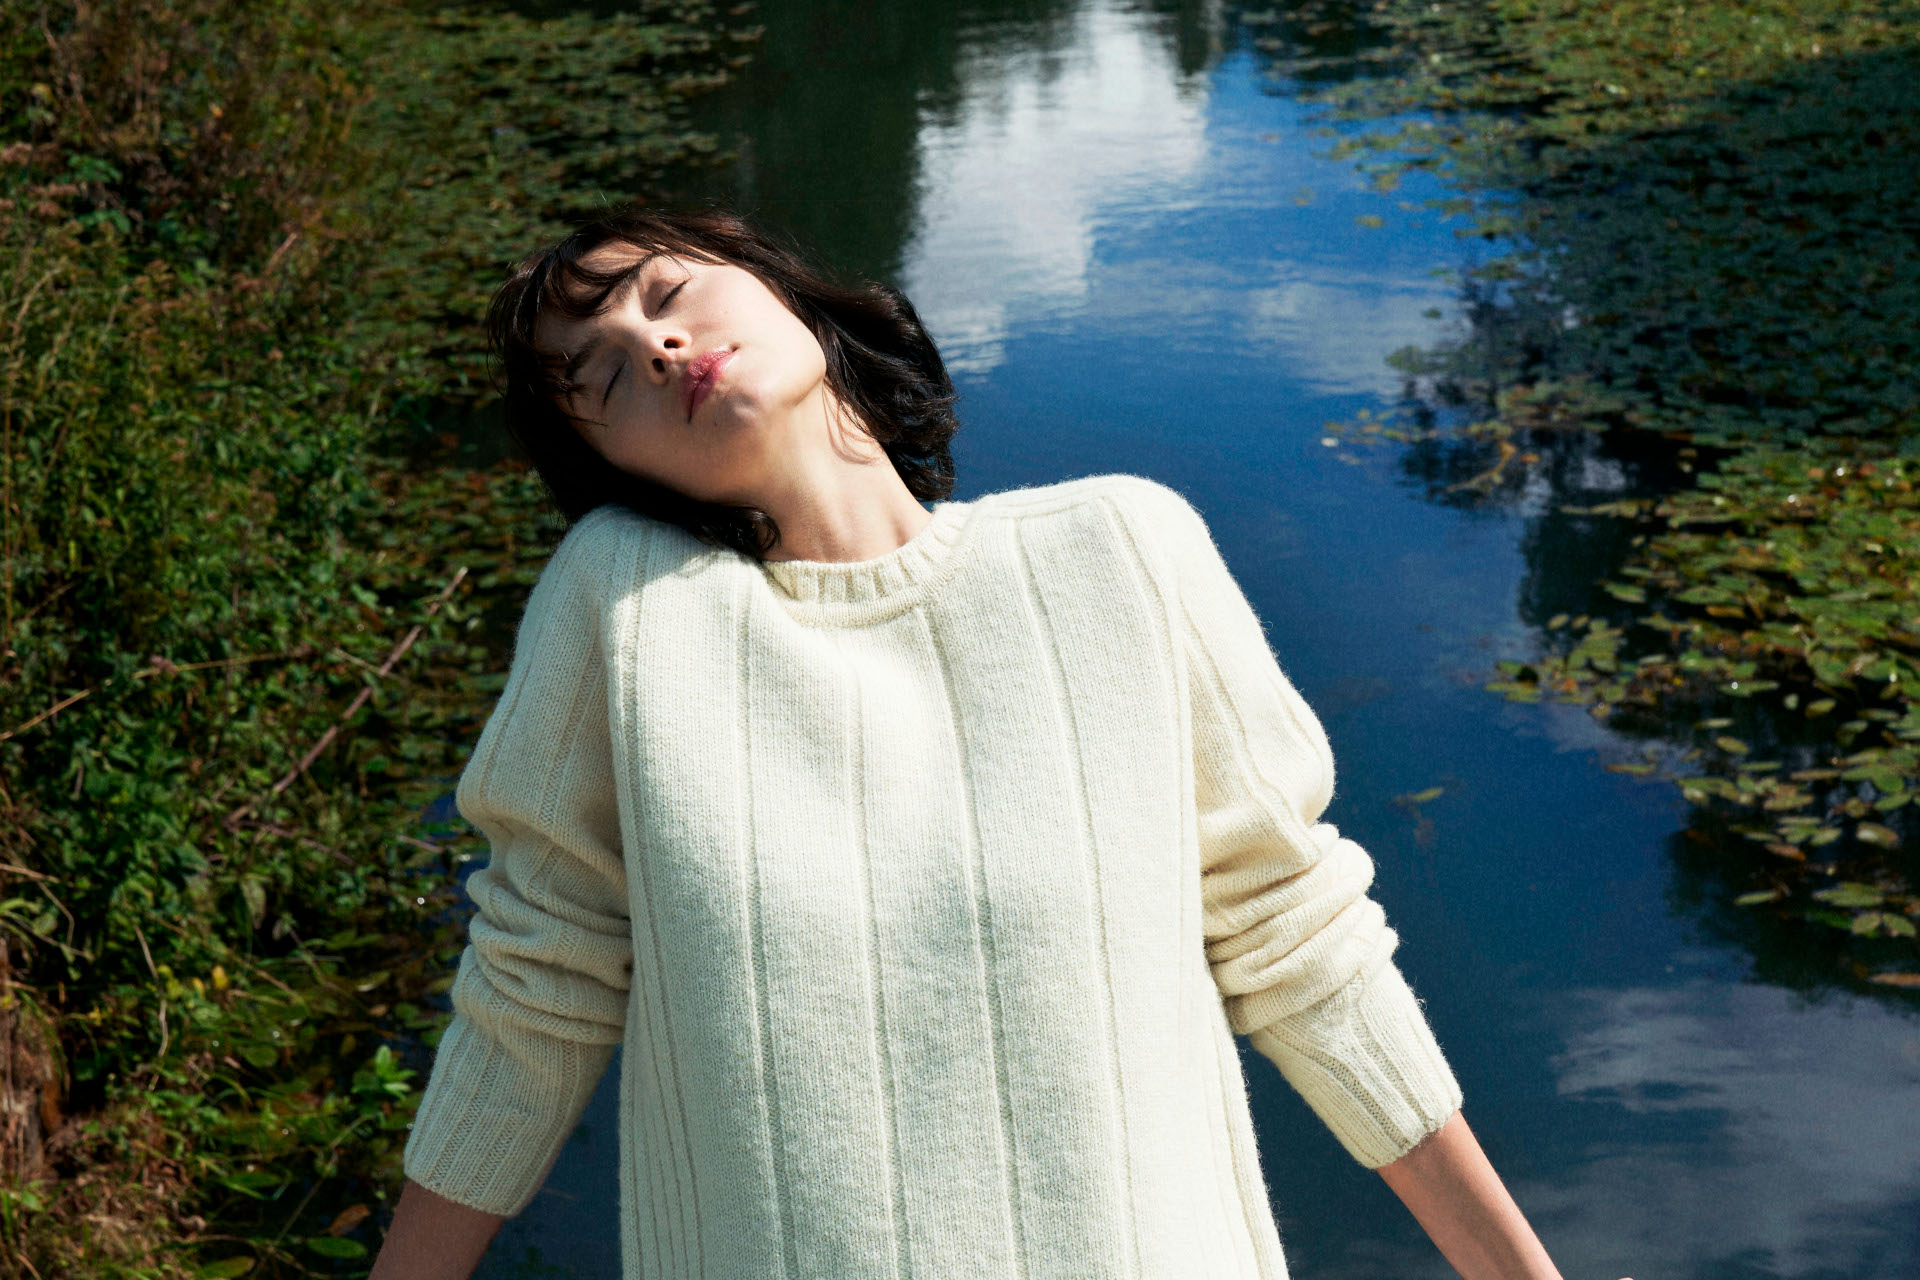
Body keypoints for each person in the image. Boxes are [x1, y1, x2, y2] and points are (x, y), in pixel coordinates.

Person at [370, 204, 1617, 1280]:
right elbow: (534, 993)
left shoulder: (1121, 550)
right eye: (598, 376)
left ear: (778, 285)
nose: (653, 343)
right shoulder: (628, 610)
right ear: (611, 464)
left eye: (664, 292)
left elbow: (1300, 942)